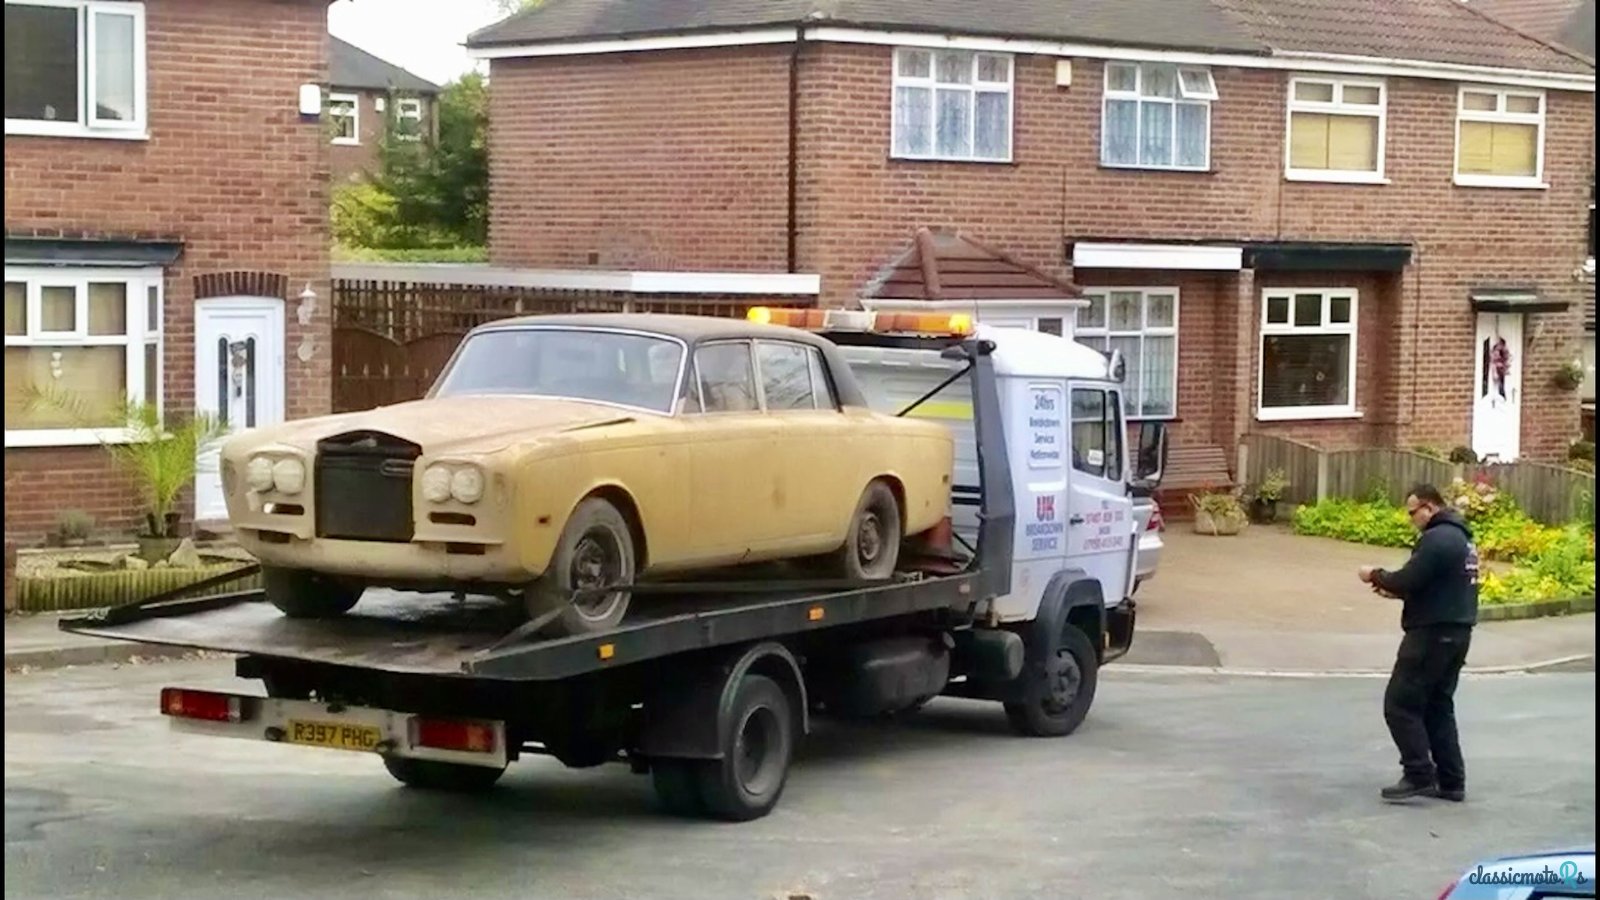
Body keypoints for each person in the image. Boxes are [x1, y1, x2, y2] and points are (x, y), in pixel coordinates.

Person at [1358, 483, 1480, 803]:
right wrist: (1397, 592)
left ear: (1429, 507)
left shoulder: (1438, 538)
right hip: (1458, 632)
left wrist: (1375, 574)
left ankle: (1418, 773)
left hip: (1431, 634)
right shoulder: (1463, 539)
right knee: (1438, 705)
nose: (1411, 519)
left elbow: (1408, 578)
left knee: (1400, 704)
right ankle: (1451, 781)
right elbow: (1432, 585)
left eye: (1413, 512)